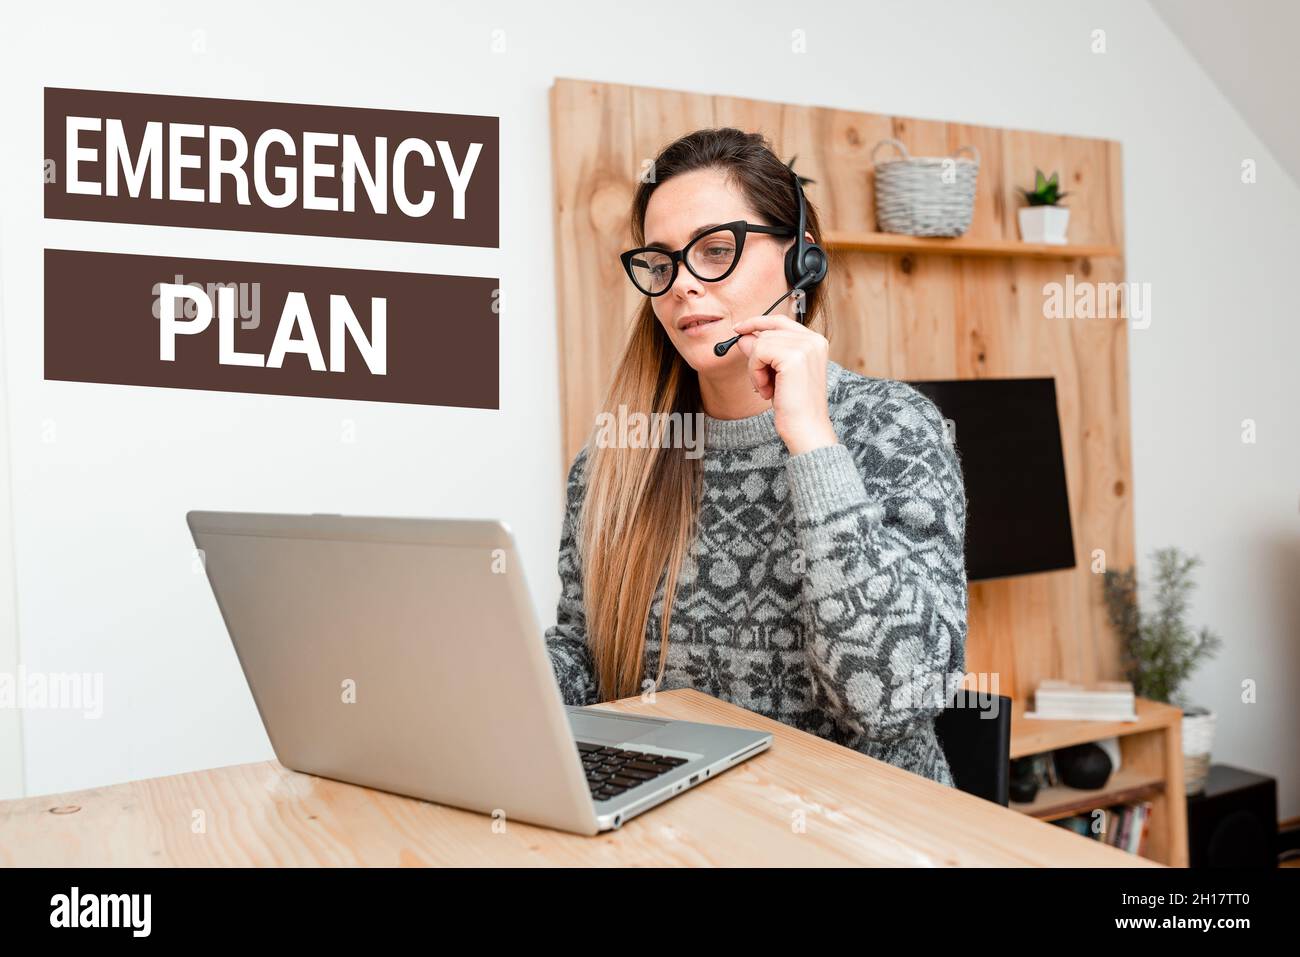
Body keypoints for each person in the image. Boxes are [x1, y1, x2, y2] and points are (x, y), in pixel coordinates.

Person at [544, 127, 969, 787]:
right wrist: (488, 685)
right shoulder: (614, 462)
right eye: (661, 262)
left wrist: (812, 444)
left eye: (716, 250)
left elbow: (894, 698)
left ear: (801, 262)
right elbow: (584, 658)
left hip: (864, 831)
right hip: (680, 825)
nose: (682, 283)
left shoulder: (897, 430)